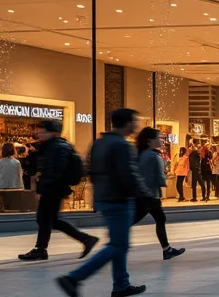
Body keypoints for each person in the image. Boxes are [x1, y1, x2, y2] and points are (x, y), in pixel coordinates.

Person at [55, 108, 150, 297]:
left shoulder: (98, 143)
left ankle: (121, 284)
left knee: (118, 243)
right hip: (119, 199)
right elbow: (128, 174)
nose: (137, 125)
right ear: (128, 123)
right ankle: (74, 278)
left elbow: (88, 168)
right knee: (118, 245)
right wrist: (143, 194)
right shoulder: (122, 145)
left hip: (103, 197)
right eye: (135, 121)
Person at [18, 120, 97, 261]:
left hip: (53, 189)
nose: (39, 134)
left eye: (43, 131)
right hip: (53, 188)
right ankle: (83, 240)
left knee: (45, 219)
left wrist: (45, 187)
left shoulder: (57, 147)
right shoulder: (52, 146)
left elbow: (54, 171)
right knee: (48, 220)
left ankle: (42, 249)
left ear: (52, 132)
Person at [133, 127, 184, 260]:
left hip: (143, 194)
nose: (161, 140)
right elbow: (159, 178)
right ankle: (166, 250)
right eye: (158, 138)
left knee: (157, 218)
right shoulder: (153, 156)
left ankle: (167, 249)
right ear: (150, 141)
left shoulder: (140, 154)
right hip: (150, 195)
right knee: (153, 219)